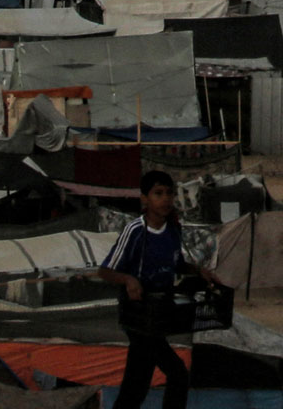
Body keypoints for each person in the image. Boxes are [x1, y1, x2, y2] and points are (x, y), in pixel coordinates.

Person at [98, 170, 217, 409]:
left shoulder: (173, 230)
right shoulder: (135, 231)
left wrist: (197, 270)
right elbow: (106, 271)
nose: (165, 200)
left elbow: (175, 264)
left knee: (136, 384)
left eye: (169, 194)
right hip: (138, 315)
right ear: (144, 198)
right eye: (158, 194)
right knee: (177, 373)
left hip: (159, 314)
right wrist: (129, 280)